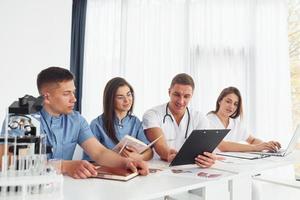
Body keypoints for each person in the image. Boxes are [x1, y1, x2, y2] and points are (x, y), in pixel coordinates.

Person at [25, 67, 148, 179]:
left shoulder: (76, 120)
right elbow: (12, 161)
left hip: (62, 187)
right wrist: (64, 166)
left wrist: (127, 163)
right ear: (47, 97)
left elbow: (99, 152)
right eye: (66, 94)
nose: (74, 99)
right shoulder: (23, 118)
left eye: (73, 92)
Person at [143, 73, 217, 168]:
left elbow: (205, 148)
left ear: (192, 96)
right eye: (177, 95)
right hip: (161, 168)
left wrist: (208, 158)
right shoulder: (152, 114)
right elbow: (159, 145)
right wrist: (168, 154)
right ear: (169, 92)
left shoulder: (200, 118)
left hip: (191, 169)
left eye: (186, 96)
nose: (181, 101)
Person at [82, 77, 153, 161]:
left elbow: (149, 151)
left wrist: (139, 157)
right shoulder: (97, 124)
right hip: (108, 170)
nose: (127, 100)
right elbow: (90, 159)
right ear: (111, 100)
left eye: (129, 94)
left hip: (131, 168)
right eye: (120, 97)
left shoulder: (135, 122)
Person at [207, 86, 281, 152]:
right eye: (228, 101)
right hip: (215, 165)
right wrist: (255, 147)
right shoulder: (208, 120)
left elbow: (252, 140)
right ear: (219, 101)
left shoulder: (235, 124)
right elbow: (223, 146)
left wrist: (267, 146)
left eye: (235, 104)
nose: (231, 107)